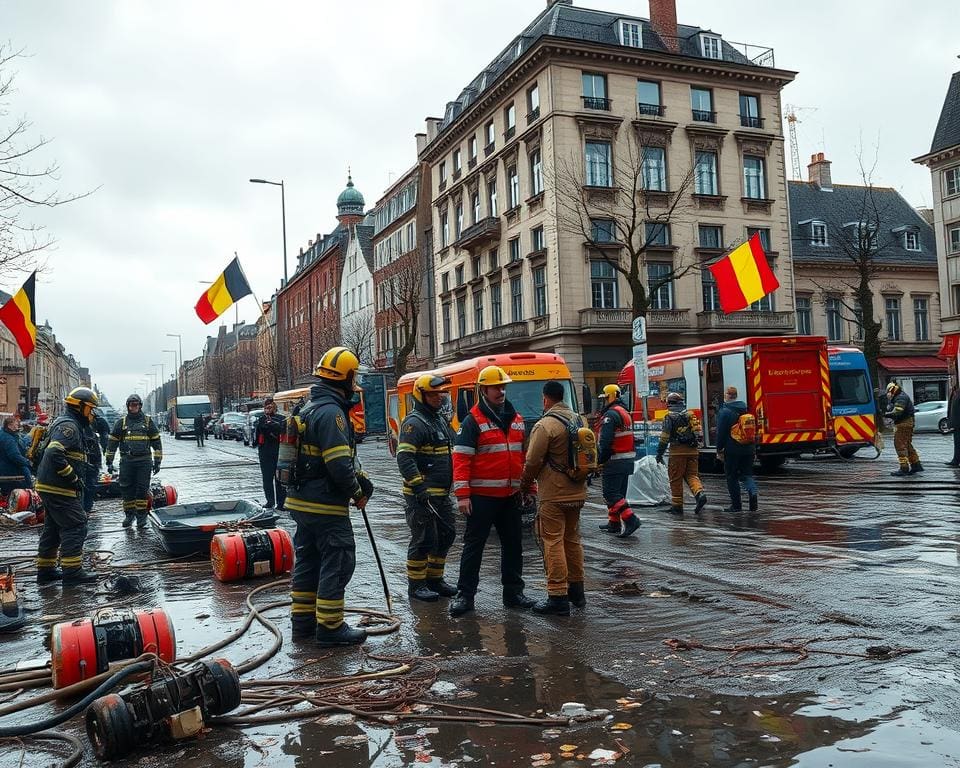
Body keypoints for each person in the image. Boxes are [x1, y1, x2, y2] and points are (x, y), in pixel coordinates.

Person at [282, 346, 373, 647]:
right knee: (339, 559)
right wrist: (358, 493)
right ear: (345, 378)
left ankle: (303, 624)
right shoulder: (332, 413)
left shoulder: (308, 407)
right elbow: (337, 464)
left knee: (308, 561)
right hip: (325, 504)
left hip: (301, 502)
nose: (355, 382)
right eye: (354, 376)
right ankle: (331, 628)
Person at [449, 365, 536, 617]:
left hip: (510, 497)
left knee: (513, 545)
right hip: (481, 498)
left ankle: (513, 593)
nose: (501, 391)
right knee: (473, 547)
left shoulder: (516, 419)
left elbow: (524, 457)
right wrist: (463, 496)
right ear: (483, 390)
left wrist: (528, 487)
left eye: (503, 386)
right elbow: (461, 460)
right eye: (496, 387)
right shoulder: (472, 421)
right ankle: (464, 596)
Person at [519, 380, 588, 616]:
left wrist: (525, 485)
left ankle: (557, 595)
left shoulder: (545, 425)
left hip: (553, 493)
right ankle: (577, 592)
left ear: (546, 399)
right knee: (572, 539)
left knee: (552, 540)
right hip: (578, 490)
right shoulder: (580, 420)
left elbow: (532, 461)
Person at [396, 374, 457, 603]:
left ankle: (435, 579)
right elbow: (405, 458)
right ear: (421, 395)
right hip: (422, 497)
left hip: (441, 495)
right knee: (423, 539)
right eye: (433, 394)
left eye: (441, 393)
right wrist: (419, 487)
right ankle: (417, 585)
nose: (439, 397)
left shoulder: (438, 419)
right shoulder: (414, 423)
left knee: (446, 535)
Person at [35, 387, 99, 585]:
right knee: (77, 524)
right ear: (79, 407)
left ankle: (45, 571)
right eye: (90, 408)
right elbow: (54, 453)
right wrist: (72, 478)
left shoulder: (67, 423)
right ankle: (72, 573)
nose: (92, 413)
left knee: (53, 528)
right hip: (59, 487)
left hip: (50, 486)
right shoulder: (69, 427)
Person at [105, 393, 163, 528]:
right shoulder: (121, 423)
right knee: (126, 489)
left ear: (140, 406)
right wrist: (109, 461)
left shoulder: (148, 422)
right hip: (127, 461)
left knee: (142, 489)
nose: (134, 407)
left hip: (144, 461)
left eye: (136, 405)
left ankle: (141, 517)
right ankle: (129, 515)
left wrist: (157, 461)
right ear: (128, 406)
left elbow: (156, 442)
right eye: (131, 405)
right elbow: (112, 443)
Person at [596, 384, 640, 538]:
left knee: (611, 493)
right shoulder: (624, 413)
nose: (603, 402)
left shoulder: (610, 415)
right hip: (626, 460)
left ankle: (631, 519)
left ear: (610, 397)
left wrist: (599, 461)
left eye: (605, 398)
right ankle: (614, 523)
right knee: (619, 494)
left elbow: (606, 442)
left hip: (614, 460)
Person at [655, 391, 707, 515]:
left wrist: (659, 454)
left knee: (675, 478)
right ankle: (699, 494)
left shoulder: (669, 417)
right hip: (693, 451)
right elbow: (699, 433)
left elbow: (664, 437)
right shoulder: (690, 415)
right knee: (692, 475)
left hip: (677, 452)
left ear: (669, 404)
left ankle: (677, 506)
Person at [715, 386, 758, 513]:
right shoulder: (745, 409)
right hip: (749, 448)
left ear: (727, 396)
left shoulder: (725, 411)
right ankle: (753, 494)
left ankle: (736, 506)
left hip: (732, 449)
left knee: (732, 476)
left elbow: (721, 433)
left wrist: (719, 449)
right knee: (747, 474)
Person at [885, 381, 922, 476]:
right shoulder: (900, 396)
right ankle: (916, 464)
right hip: (906, 423)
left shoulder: (900, 397)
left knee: (899, 444)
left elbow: (897, 412)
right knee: (907, 445)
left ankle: (904, 468)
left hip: (903, 423)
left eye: (888, 392)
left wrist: (886, 414)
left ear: (892, 390)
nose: (888, 395)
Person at [255, 398, 286, 509]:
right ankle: (270, 501)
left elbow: (280, 430)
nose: (268, 409)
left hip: (278, 451)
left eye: (270, 407)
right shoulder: (261, 420)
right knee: (267, 478)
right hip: (265, 453)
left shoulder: (281, 419)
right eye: (266, 407)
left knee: (279, 479)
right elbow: (260, 432)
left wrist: (272, 424)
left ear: (275, 407)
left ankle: (281, 502)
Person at [82, 409, 110, 514]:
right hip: (87, 461)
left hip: (91, 460)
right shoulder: (76, 424)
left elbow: (104, 437)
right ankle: (85, 509)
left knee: (89, 485)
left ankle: (86, 509)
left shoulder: (97, 421)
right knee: (88, 486)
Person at [0, 415, 32, 496]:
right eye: (16, 424)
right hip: (11, 473)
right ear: (10, 425)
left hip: (4, 472)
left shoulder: (5, 434)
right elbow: (15, 456)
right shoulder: (8, 439)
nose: (18, 425)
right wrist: (28, 462)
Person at [946, 384, 960, 467]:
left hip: (958, 423)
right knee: (957, 443)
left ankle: (956, 460)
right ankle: (956, 460)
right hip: (956, 423)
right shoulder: (955, 392)